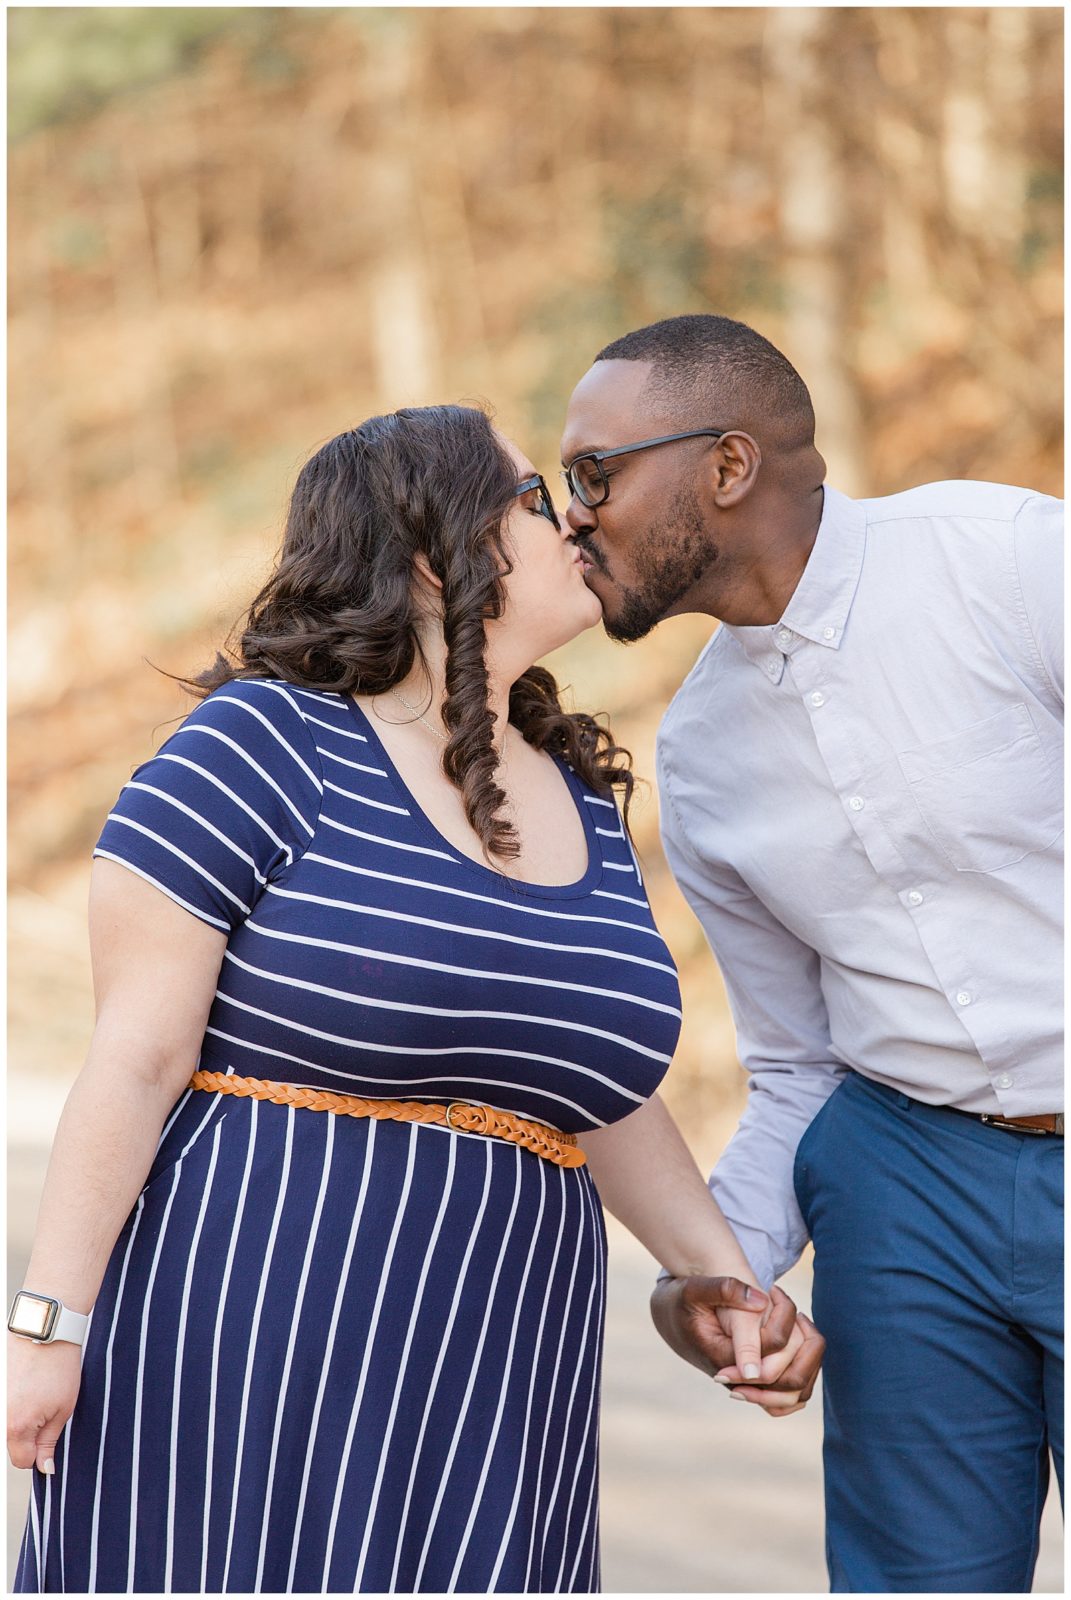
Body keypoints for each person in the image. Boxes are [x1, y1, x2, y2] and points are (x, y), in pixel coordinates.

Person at [8, 404, 814, 1595]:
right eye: (541, 499)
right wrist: (45, 1329)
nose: (579, 517)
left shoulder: (583, 795)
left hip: (505, 1362)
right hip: (251, 1325)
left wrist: (728, 1278)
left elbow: (587, 1092)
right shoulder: (260, 745)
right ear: (440, 551)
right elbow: (134, 1060)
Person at [559, 316, 1063, 1593]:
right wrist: (712, 1277)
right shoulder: (704, 753)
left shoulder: (1007, 564)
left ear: (727, 466)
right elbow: (796, 1065)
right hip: (905, 1185)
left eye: (594, 473)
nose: (574, 518)